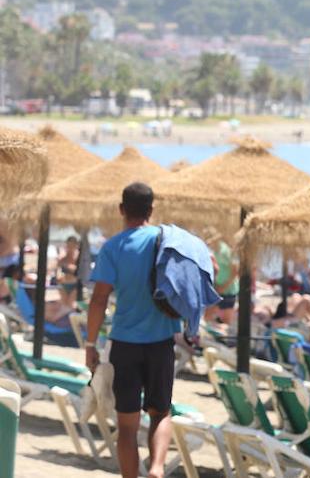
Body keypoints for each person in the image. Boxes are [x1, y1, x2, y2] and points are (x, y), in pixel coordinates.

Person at [85, 182, 183, 478]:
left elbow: (99, 298)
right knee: (161, 413)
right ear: (151, 211)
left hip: (124, 343)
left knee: (126, 426)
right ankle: (155, 468)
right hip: (162, 341)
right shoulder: (167, 241)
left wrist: (90, 344)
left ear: (121, 210)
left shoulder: (113, 246)